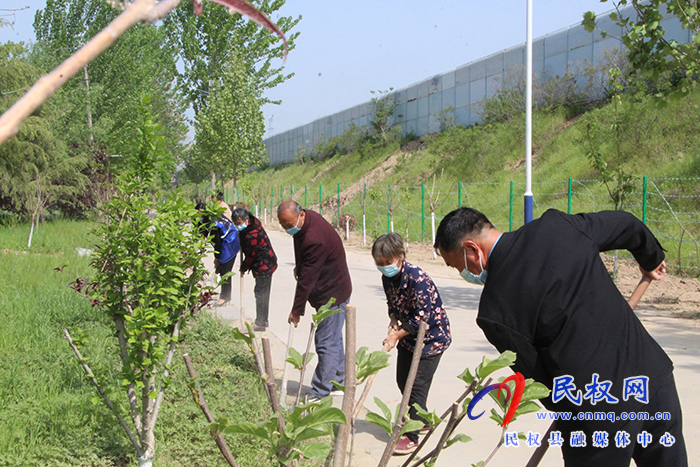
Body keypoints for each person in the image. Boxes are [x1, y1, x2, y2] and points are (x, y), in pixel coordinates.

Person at [434, 208, 687, 467]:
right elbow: (626, 224)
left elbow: (542, 382)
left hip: (596, 415)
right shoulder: (556, 226)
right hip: (654, 382)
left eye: (456, 265)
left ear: (472, 249)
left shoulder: (494, 310)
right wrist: (651, 258)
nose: (461, 273)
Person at [372, 233, 451, 456]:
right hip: (408, 338)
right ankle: (424, 419)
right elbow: (393, 303)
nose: (384, 268)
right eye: (380, 264)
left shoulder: (418, 279)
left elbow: (422, 319)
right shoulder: (387, 278)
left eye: (388, 263)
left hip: (431, 340)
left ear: (401, 257)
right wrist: (393, 320)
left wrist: (396, 336)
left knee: (415, 387)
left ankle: (412, 436)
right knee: (402, 380)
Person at [277, 200, 352, 401]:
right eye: (284, 226)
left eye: (289, 225)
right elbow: (300, 247)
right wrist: (299, 265)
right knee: (333, 338)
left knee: (325, 341)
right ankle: (338, 381)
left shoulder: (314, 238)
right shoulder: (306, 221)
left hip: (332, 294)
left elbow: (306, 281)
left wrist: (296, 310)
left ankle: (320, 390)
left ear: (301, 215)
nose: (288, 229)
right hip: (333, 288)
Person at [231, 207, 277, 331]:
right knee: (264, 292)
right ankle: (264, 320)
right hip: (267, 261)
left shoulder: (252, 234)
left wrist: (243, 267)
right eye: (235, 224)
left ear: (245, 220)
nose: (238, 226)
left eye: (239, 224)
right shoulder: (252, 221)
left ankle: (261, 323)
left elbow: (251, 255)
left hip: (264, 264)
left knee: (261, 293)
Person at [212, 212, 240, 306]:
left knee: (225, 271)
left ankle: (225, 297)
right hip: (227, 241)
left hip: (230, 243)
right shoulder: (214, 217)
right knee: (222, 269)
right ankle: (225, 295)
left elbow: (217, 243)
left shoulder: (214, 224)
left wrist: (217, 258)